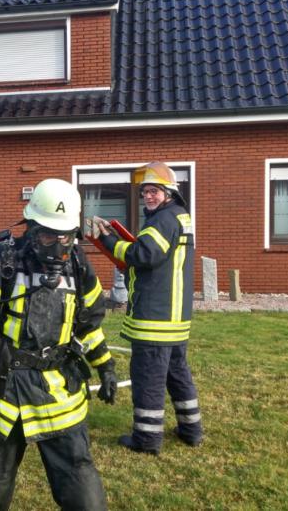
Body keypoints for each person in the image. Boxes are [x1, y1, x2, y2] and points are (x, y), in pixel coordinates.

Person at [0, 178, 118, 510]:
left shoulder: (79, 265)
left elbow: (87, 325)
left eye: (64, 237)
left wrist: (105, 365)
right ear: (31, 227)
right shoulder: (1, 262)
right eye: (48, 235)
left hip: (60, 397)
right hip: (4, 397)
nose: (57, 246)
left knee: (86, 497)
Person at [92, 161, 203, 453]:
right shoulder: (178, 216)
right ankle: (191, 430)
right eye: (145, 192)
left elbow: (144, 255)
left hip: (155, 318)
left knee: (148, 379)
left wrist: (109, 241)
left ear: (169, 192)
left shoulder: (163, 219)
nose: (148, 196)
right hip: (175, 317)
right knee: (177, 375)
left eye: (154, 191)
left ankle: (147, 438)